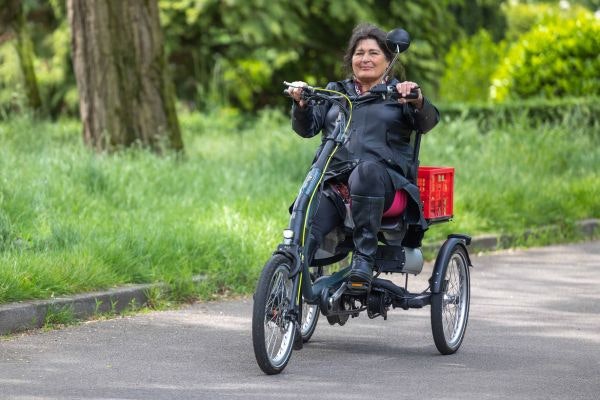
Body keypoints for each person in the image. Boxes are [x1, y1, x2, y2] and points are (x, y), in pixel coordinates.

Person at [287, 23, 439, 289]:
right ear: (351, 59)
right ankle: (286, 289)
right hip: (337, 186)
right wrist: (301, 104)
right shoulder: (336, 93)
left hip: (386, 187)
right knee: (307, 222)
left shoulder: (398, 94)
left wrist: (417, 100)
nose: (365, 59)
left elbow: (428, 121)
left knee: (366, 170)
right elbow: (307, 128)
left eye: (373, 53)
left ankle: (364, 260)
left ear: (389, 59)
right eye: (359, 53)